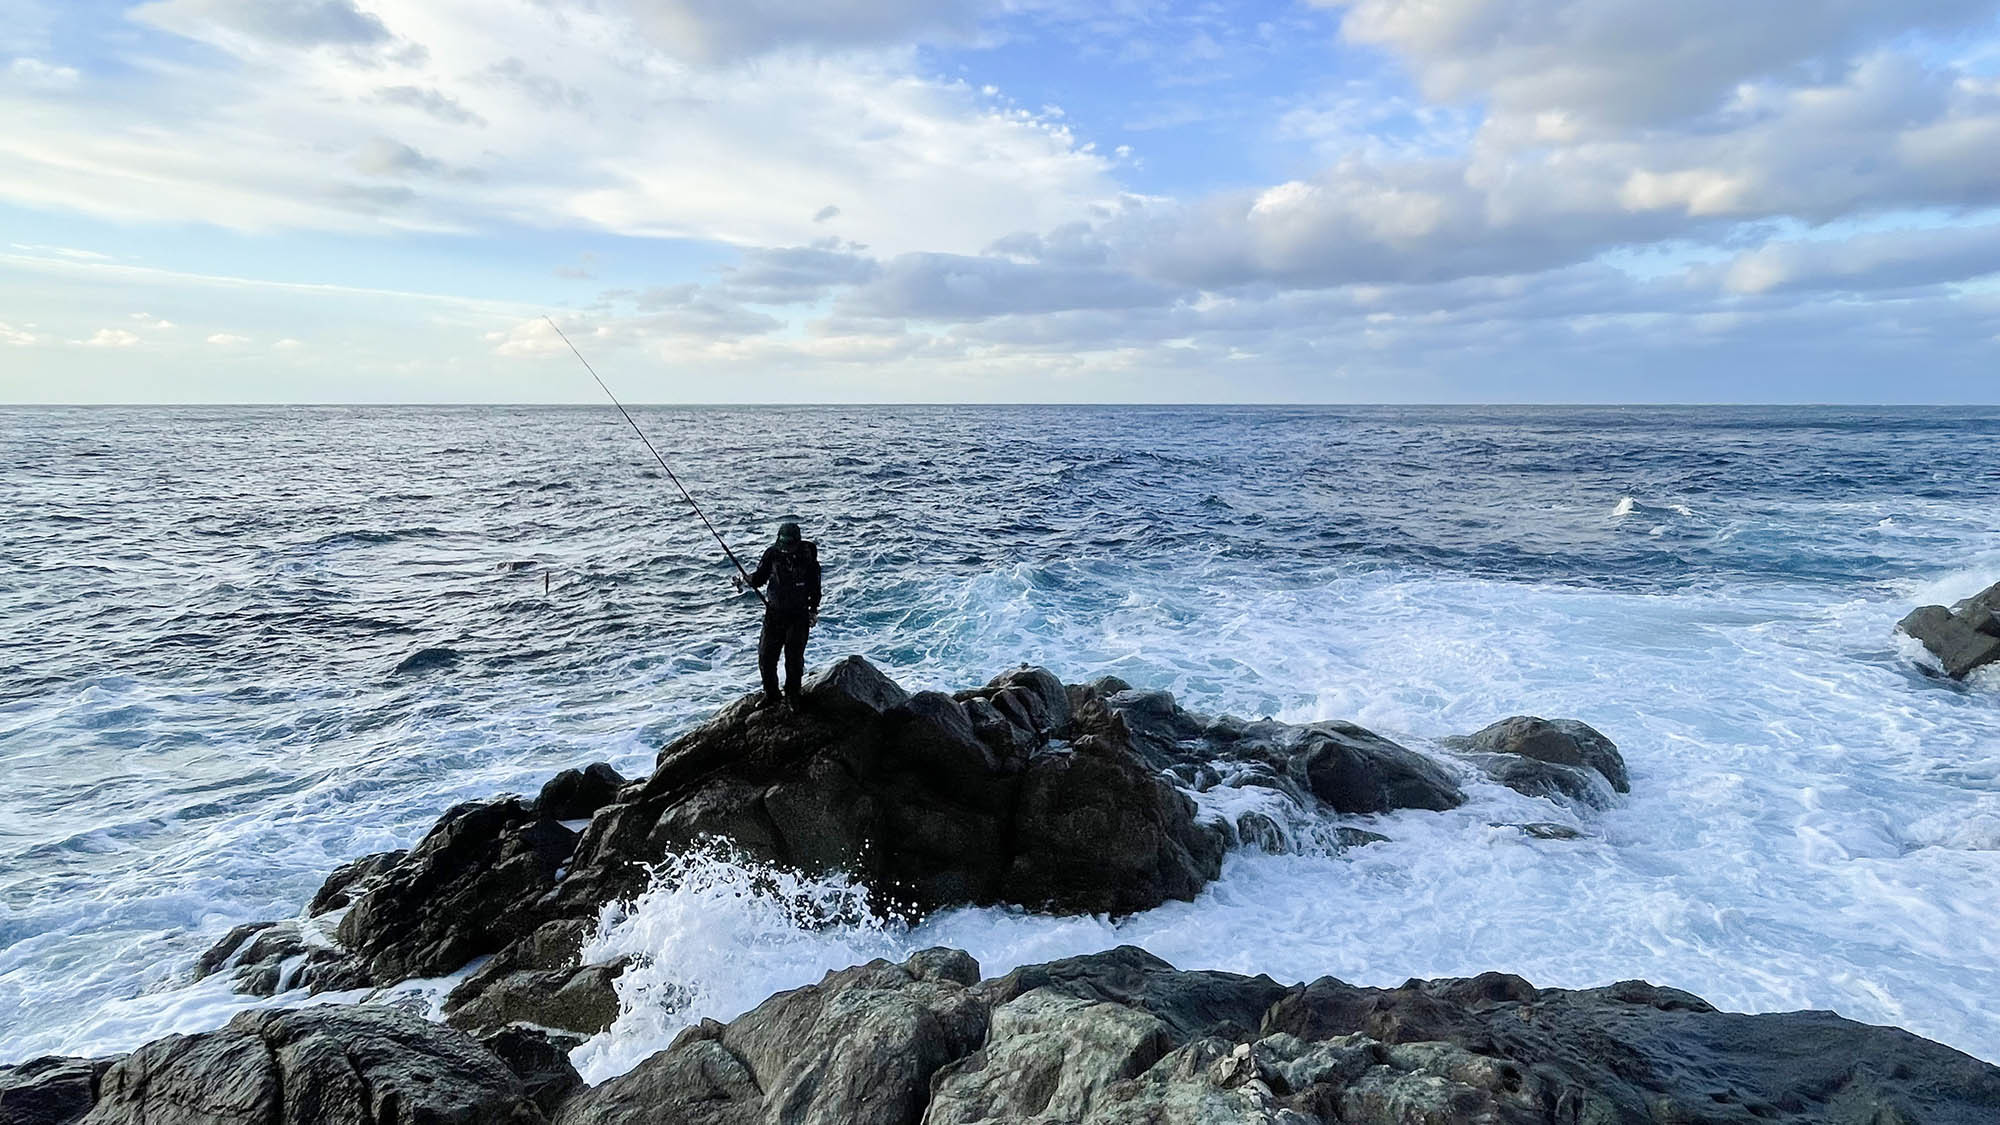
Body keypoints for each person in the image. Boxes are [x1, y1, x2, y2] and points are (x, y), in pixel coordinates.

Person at [738, 520, 821, 707]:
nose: (786, 550)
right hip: (774, 614)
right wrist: (748, 580)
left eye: (789, 546)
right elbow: (759, 579)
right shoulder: (772, 555)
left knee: (794, 659)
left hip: (798, 616)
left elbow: (816, 589)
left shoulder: (808, 558)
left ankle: (793, 696)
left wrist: (813, 611)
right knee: (766, 657)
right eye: (783, 546)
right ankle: (772, 694)